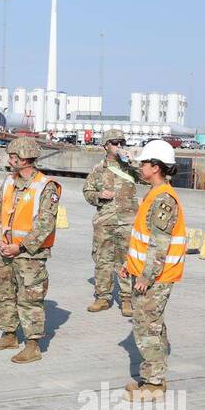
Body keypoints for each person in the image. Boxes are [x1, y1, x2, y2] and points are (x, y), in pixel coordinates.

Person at [119, 139, 188, 402]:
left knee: (148, 327)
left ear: (156, 167)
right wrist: (130, 265)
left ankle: (154, 384)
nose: (141, 166)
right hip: (146, 273)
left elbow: (160, 244)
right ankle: (151, 378)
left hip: (156, 276)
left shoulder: (163, 199)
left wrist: (147, 276)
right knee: (150, 326)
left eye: (145, 163)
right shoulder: (154, 194)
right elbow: (144, 238)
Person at [0, 137, 61, 364]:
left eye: (12, 156)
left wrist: (20, 246)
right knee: (3, 294)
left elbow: (45, 223)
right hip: (6, 251)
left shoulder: (46, 186)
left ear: (25, 158)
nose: (9, 160)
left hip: (30, 255)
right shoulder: (9, 182)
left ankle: (32, 345)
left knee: (30, 299)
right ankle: (9, 335)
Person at [83, 135, 139, 316]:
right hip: (105, 221)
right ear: (106, 146)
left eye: (121, 143)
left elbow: (149, 178)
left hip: (127, 221)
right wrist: (99, 195)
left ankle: (127, 299)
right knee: (102, 259)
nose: (119, 146)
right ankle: (102, 297)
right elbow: (87, 191)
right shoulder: (98, 169)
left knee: (127, 260)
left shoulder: (130, 168)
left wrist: (132, 161)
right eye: (115, 143)